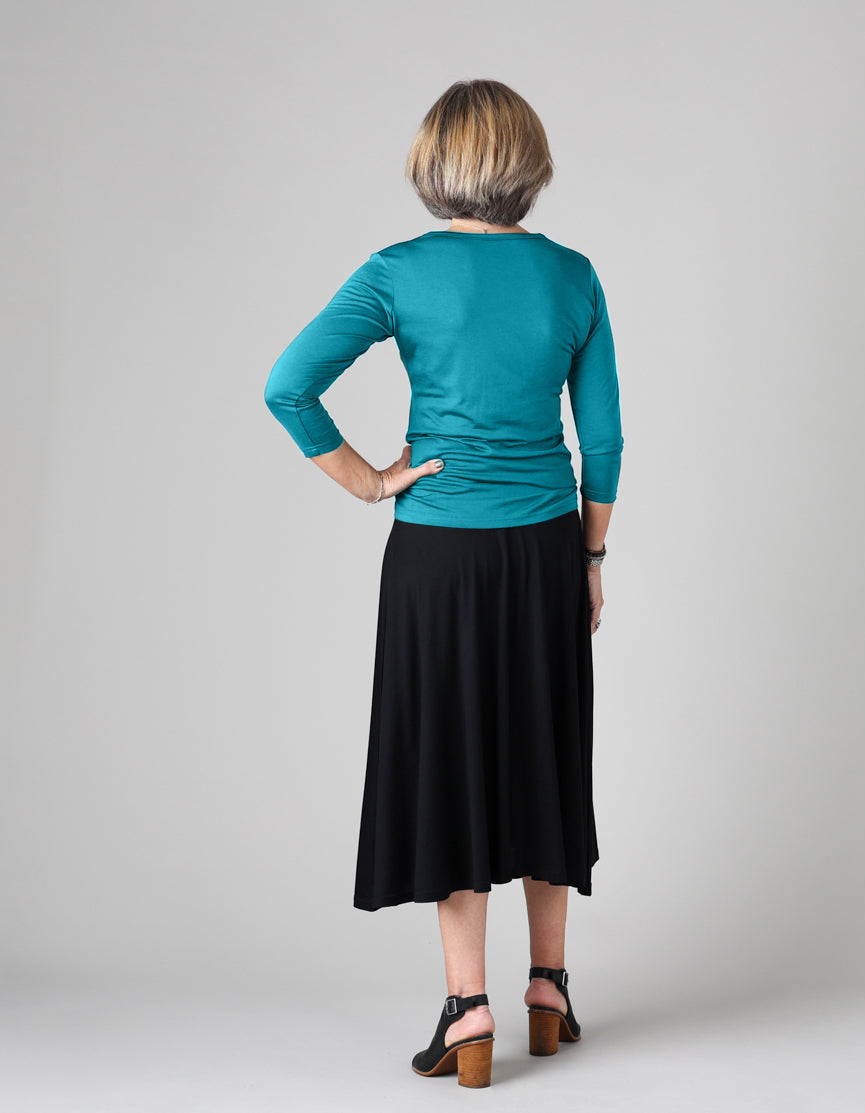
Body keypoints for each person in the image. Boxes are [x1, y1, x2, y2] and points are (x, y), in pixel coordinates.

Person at [263, 78, 622, 1089]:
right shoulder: (573, 276)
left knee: (451, 760)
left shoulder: (398, 271)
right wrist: (590, 560)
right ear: (529, 163)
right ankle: (547, 986)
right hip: (544, 549)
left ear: (435, 163)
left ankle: (468, 1009)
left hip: (437, 556)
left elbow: (288, 385)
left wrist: (371, 481)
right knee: (545, 749)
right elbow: (603, 440)